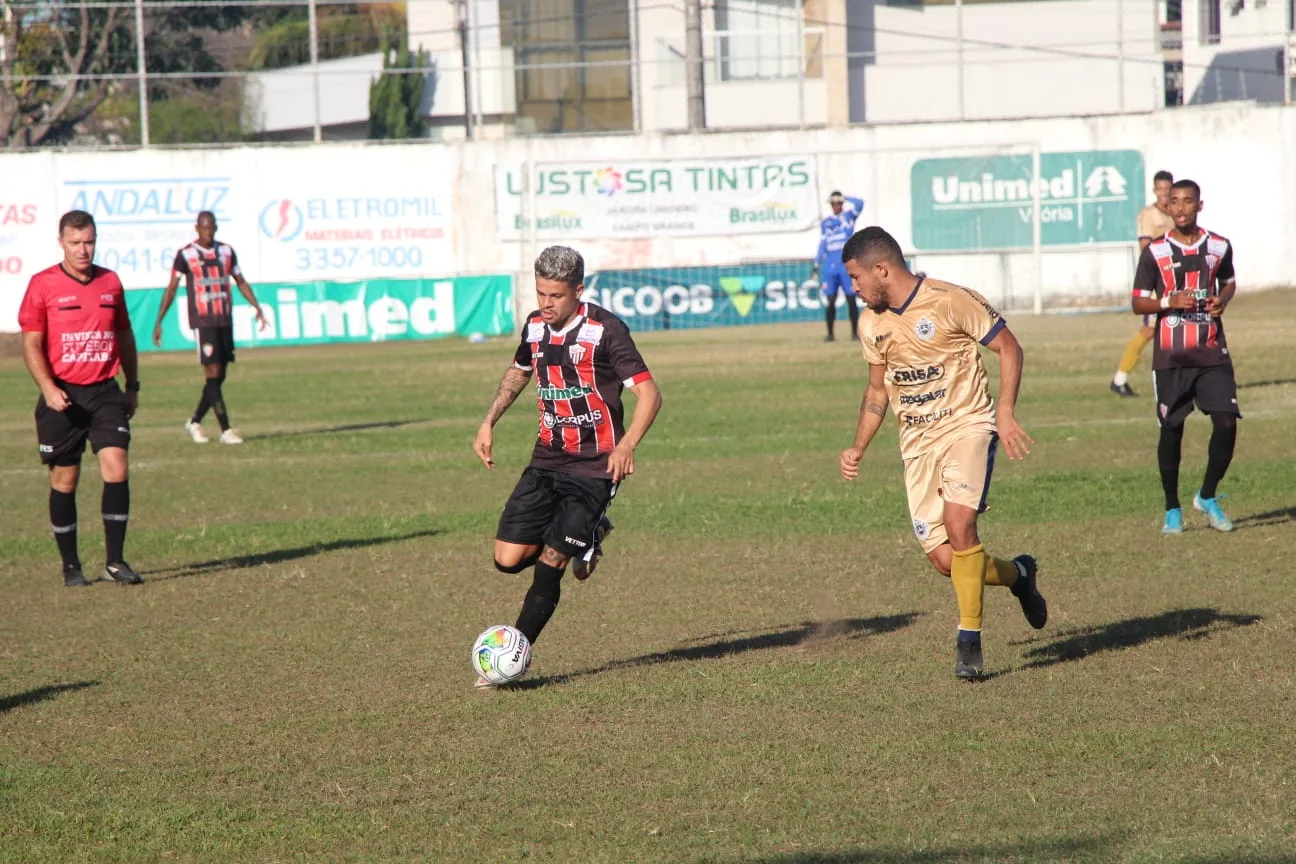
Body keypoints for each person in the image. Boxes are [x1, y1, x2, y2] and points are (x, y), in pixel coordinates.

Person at [837, 226, 1047, 679]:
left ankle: (968, 641)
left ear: (881, 269)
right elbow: (877, 392)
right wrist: (857, 446)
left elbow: (1008, 347)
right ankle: (1018, 576)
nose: (853, 289)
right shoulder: (871, 323)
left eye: (855, 279)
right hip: (917, 446)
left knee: (960, 524)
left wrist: (1005, 413)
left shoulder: (952, 300)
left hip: (967, 426)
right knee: (945, 560)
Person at [473, 245, 663, 689]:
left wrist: (627, 444)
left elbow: (650, 394)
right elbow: (520, 370)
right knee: (507, 560)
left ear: (578, 290)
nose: (546, 303)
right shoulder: (536, 326)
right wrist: (488, 421)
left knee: (553, 560)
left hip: (596, 466)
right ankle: (590, 534)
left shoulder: (606, 331)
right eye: (540, 293)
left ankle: (512, 659)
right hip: (546, 459)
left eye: (556, 295)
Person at [18, 210, 142, 587]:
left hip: (105, 391)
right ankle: (71, 566)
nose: (83, 250)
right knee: (65, 479)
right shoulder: (43, 284)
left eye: (88, 242)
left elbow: (124, 334)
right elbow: (32, 343)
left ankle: (115, 562)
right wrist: (48, 388)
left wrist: (132, 384)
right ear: (61, 243)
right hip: (63, 395)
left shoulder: (110, 282)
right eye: (75, 243)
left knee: (116, 466)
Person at [1131, 179, 1239, 535]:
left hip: (1211, 351)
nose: (1179, 208)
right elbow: (1137, 302)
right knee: (1172, 429)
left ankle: (1207, 496)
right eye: (1174, 202)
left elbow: (1229, 281)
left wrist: (1222, 299)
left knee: (1226, 422)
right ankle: (1172, 508)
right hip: (1171, 355)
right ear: (1168, 208)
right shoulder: (1155, 253)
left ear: (1199, 206)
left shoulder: (1219, 246)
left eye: (1187, 201)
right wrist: (1167, 302)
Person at [153, 210, 267, 445]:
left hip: (224, 319)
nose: (209, 232)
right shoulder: (186, 255)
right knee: (212, 374)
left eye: (212, 228)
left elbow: (240, 280)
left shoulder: (226, 252)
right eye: (205, 228)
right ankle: (226, 430)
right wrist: (159, 320)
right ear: (197, 228)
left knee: (219, 376)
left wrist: (257, 306)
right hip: (203, 322)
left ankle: (194, 421)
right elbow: (172, 287)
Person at [1111, 170, 1175, 397]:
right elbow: (1146, 249)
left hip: (1173, 281)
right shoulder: (1149, 215)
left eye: (1168, 189)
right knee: (1149, 330)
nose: (1164, 194)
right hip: (1156, 281)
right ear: (1155, 190)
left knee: (1173, 329)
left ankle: (1180, 378)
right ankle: (1119, 378)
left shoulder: (1176, 214)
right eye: (1160, 189)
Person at [811, 191, 864, 342]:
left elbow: (860, 203)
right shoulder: (826, 222)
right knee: (830, 300)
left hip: (845, 264)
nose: (836, 206)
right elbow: (823, 243)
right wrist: (816, 263)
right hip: (830, 265)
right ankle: (830, 334)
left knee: (851, 298)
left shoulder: (848, 217)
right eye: (833, 203)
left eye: (838, 203)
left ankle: (855, 333)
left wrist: (845, 197)